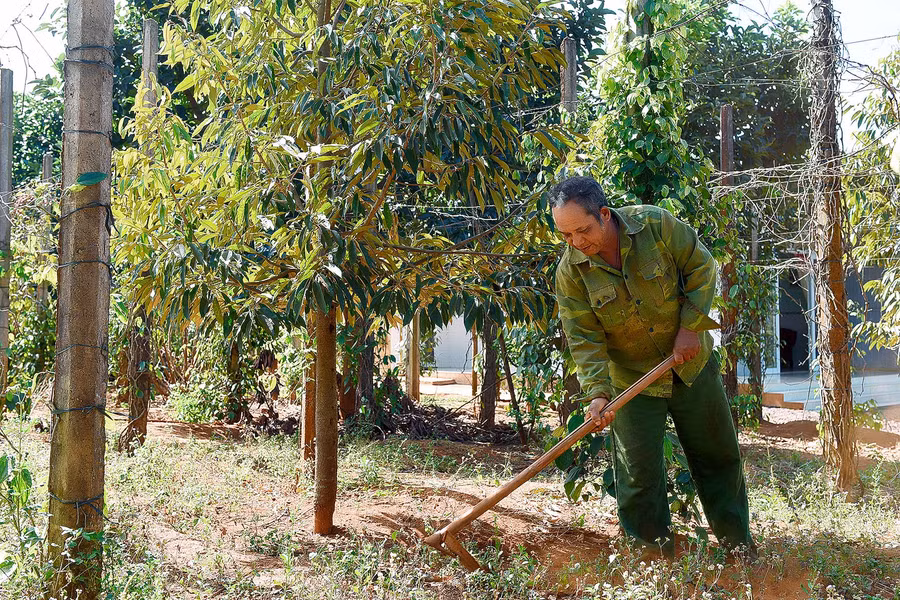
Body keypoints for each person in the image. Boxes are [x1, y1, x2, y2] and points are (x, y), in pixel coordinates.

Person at [551, 175, 754, 558]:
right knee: (637, 475)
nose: (577, 243)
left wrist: (691, 327)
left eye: (582, 231)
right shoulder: (570, 272)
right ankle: (651, 561)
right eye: (566, 236)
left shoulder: (655, 224)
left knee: (717, 457)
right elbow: (583, 337)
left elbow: (702, 267)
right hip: (632, 381)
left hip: (691, 366)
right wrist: (597, 393)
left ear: (605, 214)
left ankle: (737, 549)